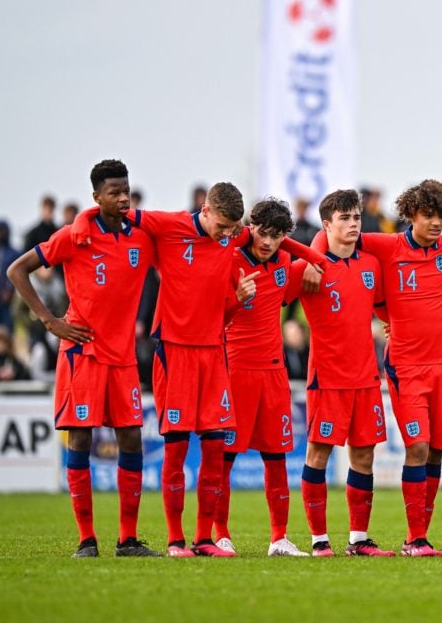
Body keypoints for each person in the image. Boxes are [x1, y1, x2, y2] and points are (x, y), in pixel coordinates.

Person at [70, 181, 327, 557]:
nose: (228, 235)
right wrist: (82, 218)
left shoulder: (262, 255)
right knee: (196, 451)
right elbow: (119, 213)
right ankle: (189, 538)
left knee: (261, 454)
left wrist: (312, 261)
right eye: (229, 227)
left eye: (231, 230)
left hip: (250, 367)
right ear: (209, 213)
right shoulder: (205, 241)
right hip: (199, 357)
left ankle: (250, 538)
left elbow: (311, 253)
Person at [310, 179, 442, 556]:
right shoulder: (387, 245)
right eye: (428, 215)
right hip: (405, 365)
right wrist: (316, 262)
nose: (436, 223)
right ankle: (408, 539)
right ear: (411, 214)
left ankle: (419, 537)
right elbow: (326, 236)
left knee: (437, 450)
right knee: (418, 445)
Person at [7, 159, 160, 558]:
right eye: (114, 192)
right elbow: (17, 270)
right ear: (97, 197)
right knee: (81, 436)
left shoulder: (142, 237)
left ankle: (127, 539)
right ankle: (86, 539)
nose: (123, 197)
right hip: (83, 353)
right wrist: (49, 321)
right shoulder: (74, 236)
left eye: (126, 189)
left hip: (123, 356)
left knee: (131, 438)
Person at [296, 189, 394, 557]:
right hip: (328, 378)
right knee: (318, 454)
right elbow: (274, 289)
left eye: (356, 218)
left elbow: (385, 308)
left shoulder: (371, 265)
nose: (353, 225)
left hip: (366, 376)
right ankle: (319, 540)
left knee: (363, 457)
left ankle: (358, 539)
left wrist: (394, 325)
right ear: (326, 225)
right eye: (344, 219)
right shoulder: (311, 266)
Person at [212, 198, 310, 558]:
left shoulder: (284, 262)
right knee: (225, 457)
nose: (267, 242)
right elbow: (214, 317)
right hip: (236, 369)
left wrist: (307, 258)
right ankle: (220, 534)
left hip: (274, 372)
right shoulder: (231, 258)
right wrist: (237, 298)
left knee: (276, 455)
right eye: (262, 233)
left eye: (276, 235)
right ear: (250, 228)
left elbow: (319, 259)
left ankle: (279, 539)